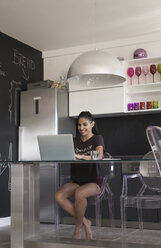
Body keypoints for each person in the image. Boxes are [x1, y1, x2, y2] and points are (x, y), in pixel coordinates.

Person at [55, 111, 104, 240]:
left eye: (85, 124)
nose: (81, 128)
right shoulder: (73, 141)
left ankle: (77, 228)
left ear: (92, 124)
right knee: (59, 196)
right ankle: (85, 221)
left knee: (79, 193)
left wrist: (81, 156)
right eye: (79, 125)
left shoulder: (97, 138)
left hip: (94, 181)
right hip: (77, 180)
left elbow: (99, 156)